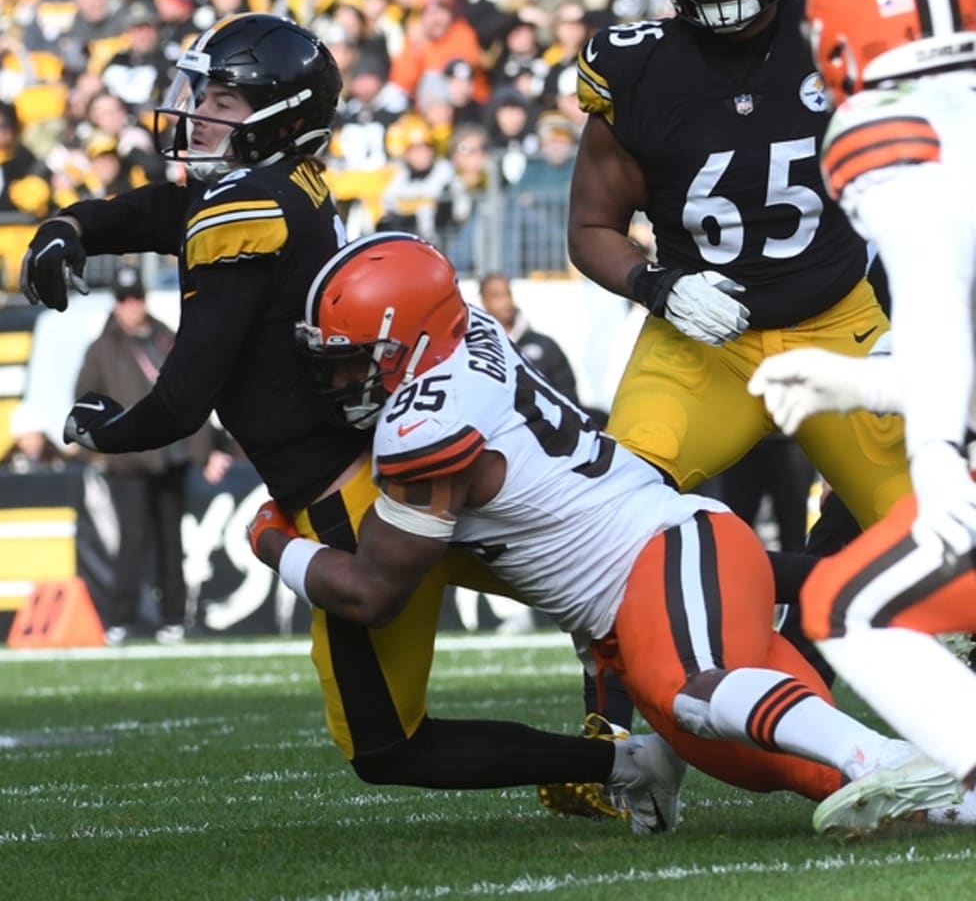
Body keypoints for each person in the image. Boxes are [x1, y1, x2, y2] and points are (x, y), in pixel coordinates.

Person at [19, 11, 676, 810]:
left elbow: (183, 398)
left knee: (386, 746)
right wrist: (71, 226)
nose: (196, 112)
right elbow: (167, 212)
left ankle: (627, 765)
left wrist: (100, 427)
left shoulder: (244, 212)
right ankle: (625, 658)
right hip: (379, 466)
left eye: (222, 101)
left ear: (279, 117)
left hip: (346, 503)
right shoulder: (286, 184)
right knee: (569, 579)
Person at [253, 232, 968, 835]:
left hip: (666, 550)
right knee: (796, 769)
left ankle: (878, 752)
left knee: (695, 687)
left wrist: (273, 542)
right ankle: (954, 791)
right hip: (642, 597)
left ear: (408, 345)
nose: (340, 382)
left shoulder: (428, 428)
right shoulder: (463, 335)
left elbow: (372, 594)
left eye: (353, 361)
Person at [566, 0, 913, 724]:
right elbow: (591, 230)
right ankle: (614, 738)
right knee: (611, 523)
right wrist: (658, 283)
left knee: (942, 541)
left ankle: (824, 660)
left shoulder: (836, 35)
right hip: (699, 342)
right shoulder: (637, 68)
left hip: (835, 323)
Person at [747, 0, 976, 830]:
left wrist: (932, 462)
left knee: (850, 607)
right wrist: (864, 385)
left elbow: (931, 293)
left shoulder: (886, 121)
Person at [74, 263, 200, 646]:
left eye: (136, 298)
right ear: (115, 304)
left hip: (171, 454)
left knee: (170, 541)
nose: (131, 306)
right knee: (132, 541)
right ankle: (120, 619)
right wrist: (102, 441)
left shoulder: (165, 338)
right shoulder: (102, 349)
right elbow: (84, 399)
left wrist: (204, 447)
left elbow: (194, 389)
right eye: (124, 299)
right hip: (129, 460)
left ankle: (174, 618)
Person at [477, 271, 582, 407]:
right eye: (497, 296)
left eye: (508, 293)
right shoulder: (476, 350)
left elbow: (568, 396)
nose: (506, 301)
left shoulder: (545, 346)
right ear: (484, 302)